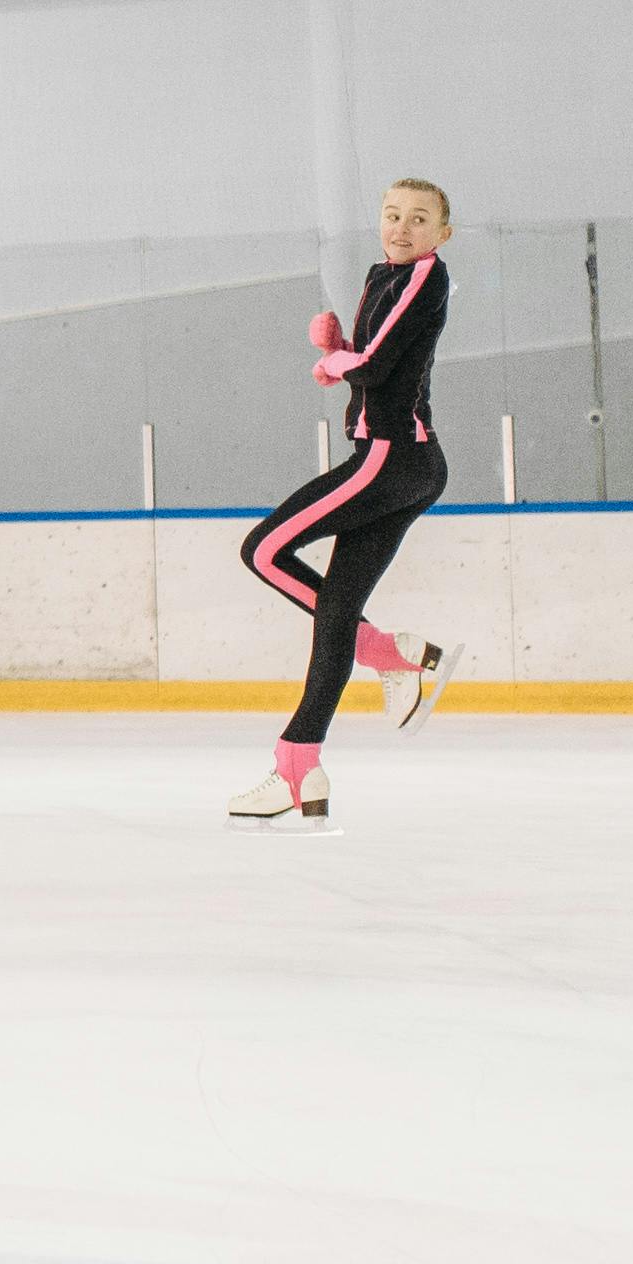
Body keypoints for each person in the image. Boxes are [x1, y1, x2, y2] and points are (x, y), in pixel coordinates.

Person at [232, 176, 455, 823]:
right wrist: (337, 351)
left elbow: (380, 364)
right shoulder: (381, 275)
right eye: (392, 215)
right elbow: (373, 363)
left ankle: (394, 655)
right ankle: (299, 765)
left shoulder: (426, 276)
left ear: (442, 234)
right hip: (392, 460)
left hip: (392, 459)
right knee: (333, 609)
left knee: (266, 550)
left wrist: (340, 363)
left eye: (419, 219)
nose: (402, 228)